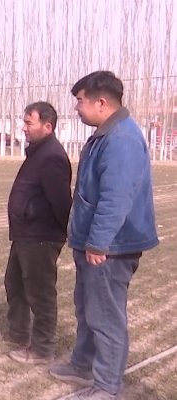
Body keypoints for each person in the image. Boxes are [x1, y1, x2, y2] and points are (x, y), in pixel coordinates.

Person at [49, 71, 159, 400]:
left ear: (101, 102)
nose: (76, 108)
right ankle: (83, 364)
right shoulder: (105, 135)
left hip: (111, 247)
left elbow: (116, 198)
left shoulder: (122, 139)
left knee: (106, 316)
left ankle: (107, 386)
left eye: (80, 101)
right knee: (87, 308)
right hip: (95, 243)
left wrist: (99, 242)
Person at [0, 102, 72, 364]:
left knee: (40, 293)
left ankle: (42, 349)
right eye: (23, 122)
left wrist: (57, 234)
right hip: (25, 234)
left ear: (47, 127)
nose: (23, 128)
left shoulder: (52, 157)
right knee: (14, 283)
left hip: (41, 236)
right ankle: (18, 333)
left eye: (29, 123)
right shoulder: (37, 153)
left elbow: (61, 202)